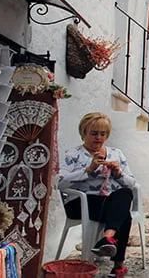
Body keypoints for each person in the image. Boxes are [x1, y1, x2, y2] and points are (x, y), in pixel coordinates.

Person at [59, 113, 136, 278]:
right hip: (81, 204)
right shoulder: (72, 154)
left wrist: (118, 173)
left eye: (103, 134)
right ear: (84, 133)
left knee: (125, 194)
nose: (98, 138)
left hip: (110, 203)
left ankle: (107, 238)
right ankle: (118, 265)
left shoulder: (116, 153)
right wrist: (88, 170)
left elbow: (132, 184)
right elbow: (60, 183)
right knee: (123, 214)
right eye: (94, 133)